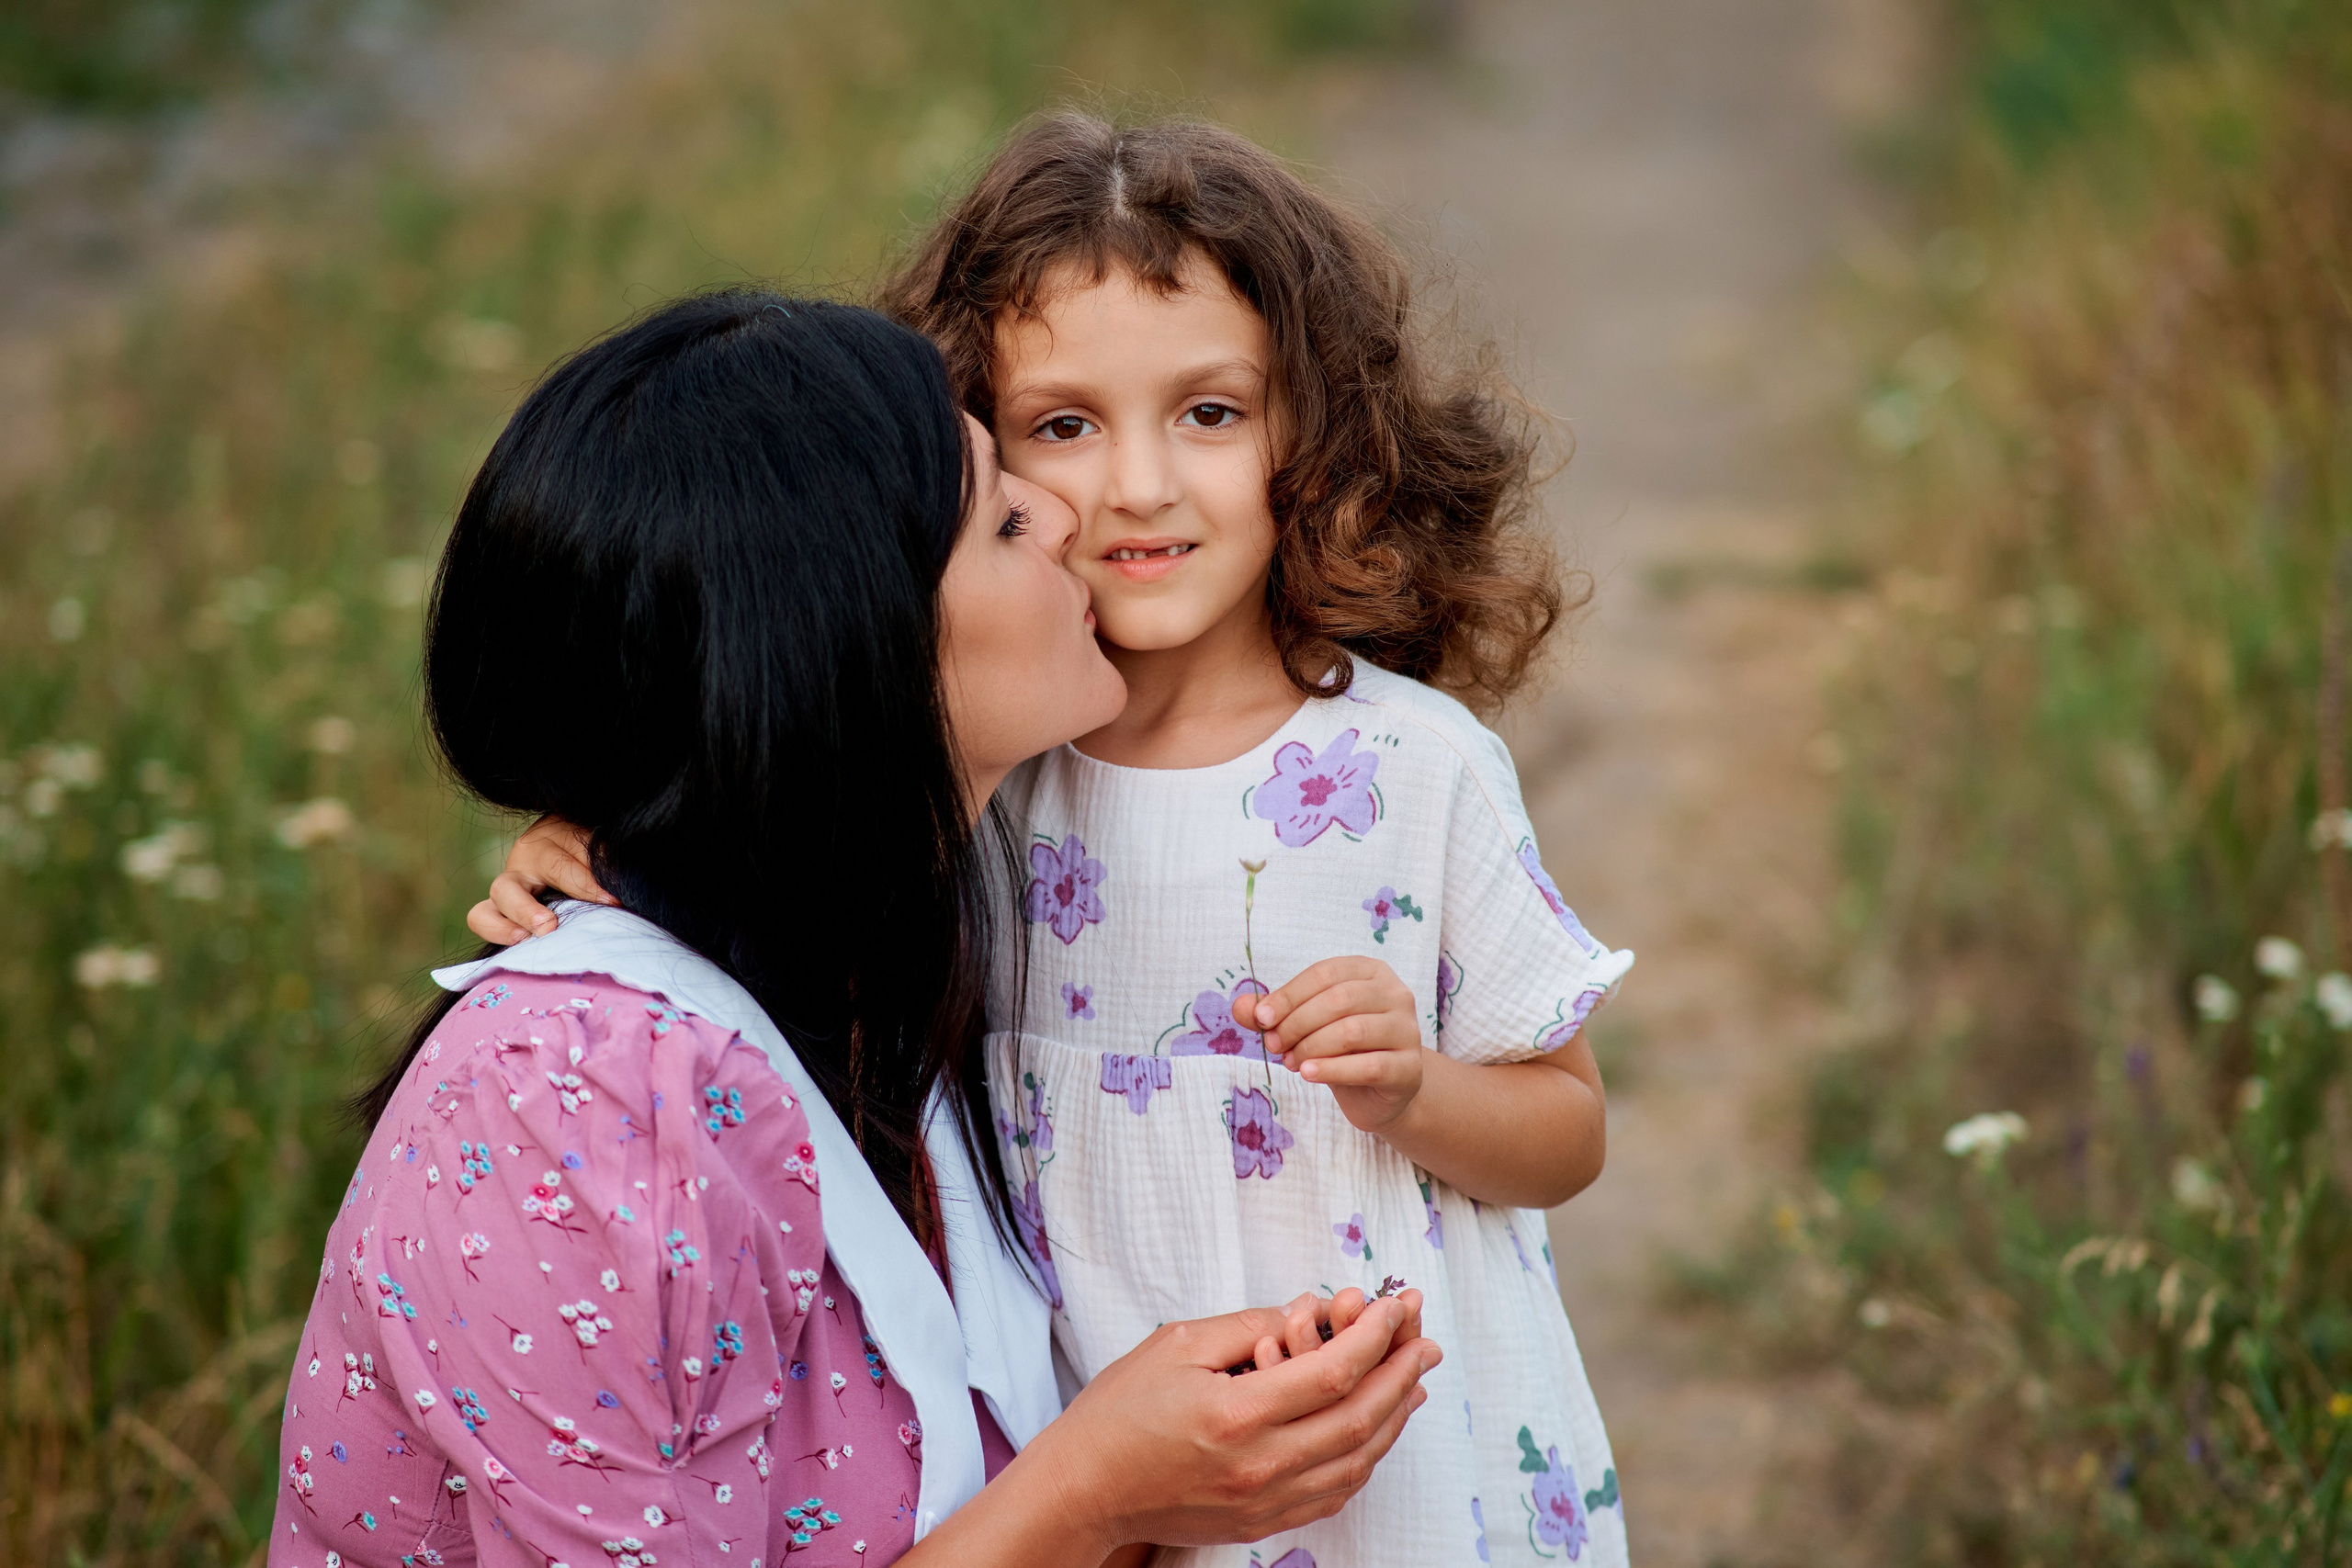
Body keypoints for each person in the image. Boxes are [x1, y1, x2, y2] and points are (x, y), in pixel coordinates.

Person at [481, 114, 1633, 1566]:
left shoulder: (1411, 767)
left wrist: (1412, 1091)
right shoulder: (985, 766)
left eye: (1210, 413)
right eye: (1064, 426)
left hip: (1367, 1450)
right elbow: (768, 819)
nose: (1139, 485)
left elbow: (1567, 1130)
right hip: (1067, 1444)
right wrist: (596, 859)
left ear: (1315, 435)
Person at [270, 290, 1442, 1568]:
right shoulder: (577, 1104)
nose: (1068, 514)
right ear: (844, 644)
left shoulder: (889, 964)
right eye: (1002, 515)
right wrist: (1097, 1493)